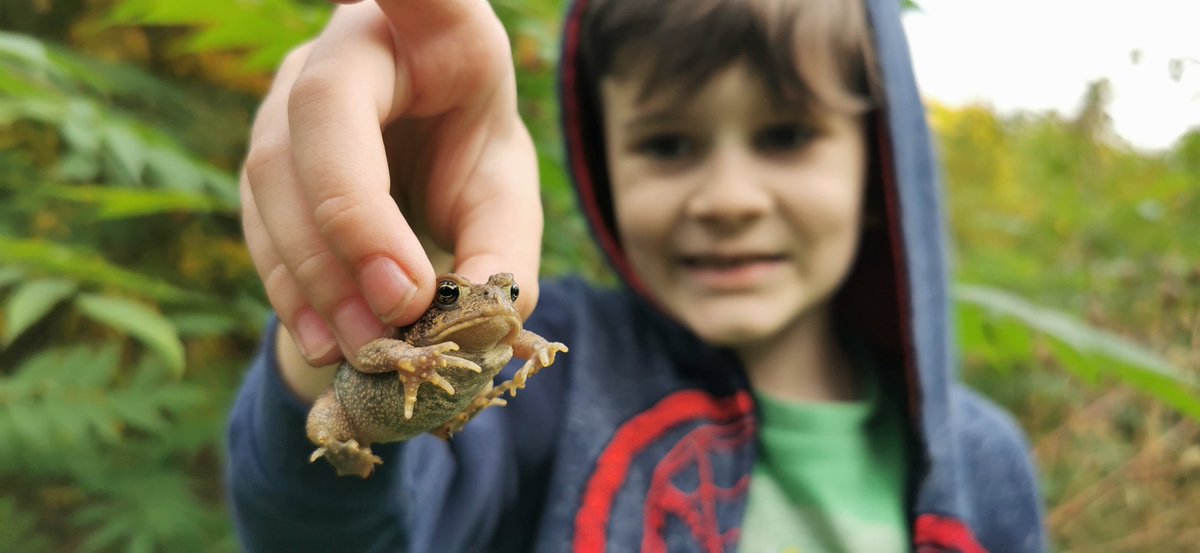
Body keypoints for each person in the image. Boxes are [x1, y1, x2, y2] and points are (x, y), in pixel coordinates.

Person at [227, 0, 1047, 551]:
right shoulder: (562, 373)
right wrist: (361, 286)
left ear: (881, 167)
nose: (728, 199)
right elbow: (338, 534)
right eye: (667, 144)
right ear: (604, 166)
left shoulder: (984, 463)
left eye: (787, 135)